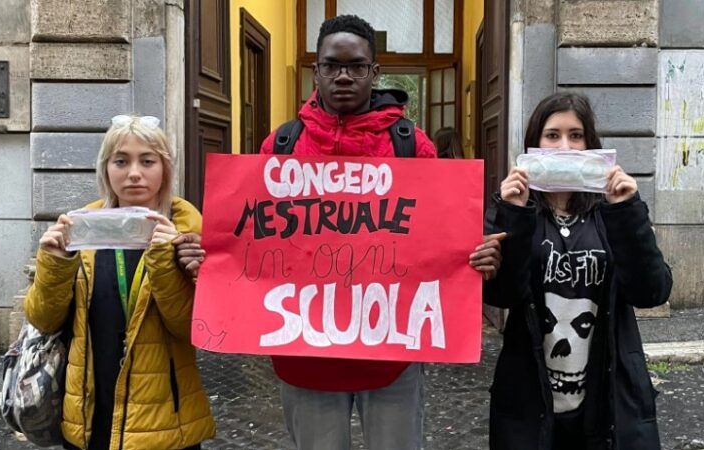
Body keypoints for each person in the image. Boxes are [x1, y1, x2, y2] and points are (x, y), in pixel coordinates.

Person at [175, 15, 502, 450]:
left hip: (393, 358)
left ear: (374, 72)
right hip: (305, 359)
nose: (343, 75)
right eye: (331, 65)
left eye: (357, 65)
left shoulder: (412, 144)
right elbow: (249, 236)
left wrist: (477, 255)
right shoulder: (282, 146)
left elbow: (445, 238)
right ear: (317, 71)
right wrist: (212, 257)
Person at [482, 92, 673, 450]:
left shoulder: (612, 211)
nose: (564, 146)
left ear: (590, 144)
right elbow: (500, 295)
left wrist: (627, 211)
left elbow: (652, 292)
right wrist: (514, 214)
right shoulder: (514, 209)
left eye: (576, 135)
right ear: (535, 143)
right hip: (530, 396)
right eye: (552, 135)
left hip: (608, 397)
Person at [24, 115, 216, 450]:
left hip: (164, 423)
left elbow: (191, 329)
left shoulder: (190, 234)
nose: (134, 173)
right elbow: (43, 320)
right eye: (121, 161)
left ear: (166, 168)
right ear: (106, 169)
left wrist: (167, 260)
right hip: (89, 418)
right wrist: (55, 264)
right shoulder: (80, 228)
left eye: (147, 160)